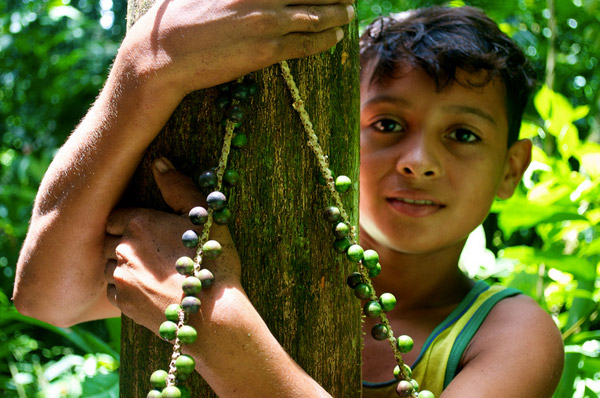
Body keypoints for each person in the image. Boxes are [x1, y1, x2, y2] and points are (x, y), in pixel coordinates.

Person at [13, 2, 563, 398]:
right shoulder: (264, 252)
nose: (418, 161)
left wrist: (212, 320)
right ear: (339, 135)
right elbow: (46, 299)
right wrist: (144, 72)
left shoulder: (511, 334)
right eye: (388, 123)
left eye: (463, 134)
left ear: (511, 168)